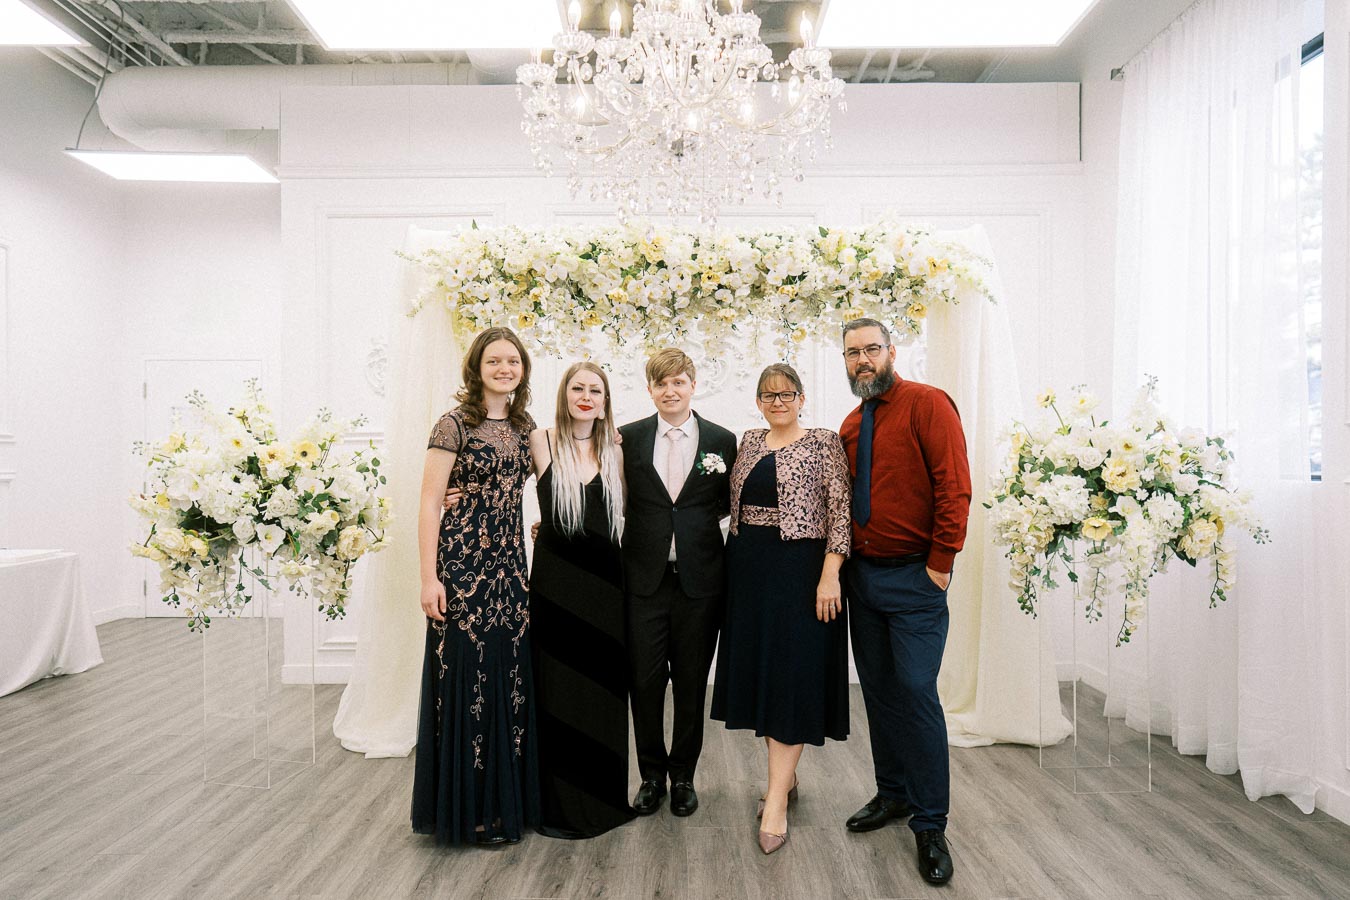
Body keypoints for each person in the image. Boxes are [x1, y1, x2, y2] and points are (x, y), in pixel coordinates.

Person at [838, 318, 972, 885]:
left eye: (872, 349)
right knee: (880, 693)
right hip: (863, 581)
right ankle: (892, 793)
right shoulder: (851, 424)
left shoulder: (928, 404)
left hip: (917, 580)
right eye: (853, 353)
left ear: (892, 352)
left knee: (916, 692)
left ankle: (931, 824)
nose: (863, 360)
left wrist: (940, 564)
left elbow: (954, 486)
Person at [711, 363, 852, 855]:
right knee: (766, 678)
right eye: (769, 395)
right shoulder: (749, 442)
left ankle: (775, 801)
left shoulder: (824, 442)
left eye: (787, 394)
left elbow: (841, 511)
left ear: (802, 398)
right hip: (749, 572)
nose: (778, 402)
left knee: (792, 681)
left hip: (801, 571)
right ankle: (785, 780)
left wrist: (830, 574)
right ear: (758, 402)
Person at [411, 326, 539, 846]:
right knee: (468, 681)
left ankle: (505, 804)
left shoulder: (526, 425)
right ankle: (469, 811)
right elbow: (429, 503)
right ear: (477, 368)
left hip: (511, 568)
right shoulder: (454, 425)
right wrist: (428, 578)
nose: (505, 369)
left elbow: (556, 483)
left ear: (523, 370)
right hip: (463, 568)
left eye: (513, 361)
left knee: (509, 678)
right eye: (494, 361)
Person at [619, 348, 738, 817]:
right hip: (642, 582)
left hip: (700, 583)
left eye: (679, 382)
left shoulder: (722, 440)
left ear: (693, 385)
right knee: (644, 683)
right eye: (661, 383)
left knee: (691, 683)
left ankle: (683, 776)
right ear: (650, 389)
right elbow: (608, 494)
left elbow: (728, 503)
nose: (670, 391)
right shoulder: (626, 438)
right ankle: (651, 776)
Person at [527, 361, 637, 839]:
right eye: (578, 388)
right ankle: (556, 803)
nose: (586, 396)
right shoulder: (540, 441)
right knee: (557, 690)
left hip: (606, 589)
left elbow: (626, 515)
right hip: (555, 587)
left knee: (601, 692)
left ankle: (602, 799)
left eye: (595, 390)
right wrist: (454, 494)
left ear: (605, 401)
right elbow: (497, 483)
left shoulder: (617, 449)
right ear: (565, 395)